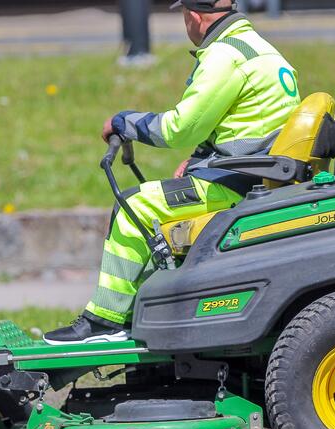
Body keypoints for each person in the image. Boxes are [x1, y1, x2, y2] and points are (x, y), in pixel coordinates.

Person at [43, 0, 301, 345]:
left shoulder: (224, 56)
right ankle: (143, 309)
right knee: (157, 202)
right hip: (258, 175)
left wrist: (124, 122)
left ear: (193, 16)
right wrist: (201, 158)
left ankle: (105, 320)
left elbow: (179, 128)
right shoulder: (260, 48)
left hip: (236, 185)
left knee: (134, 206)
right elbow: (247, 124)